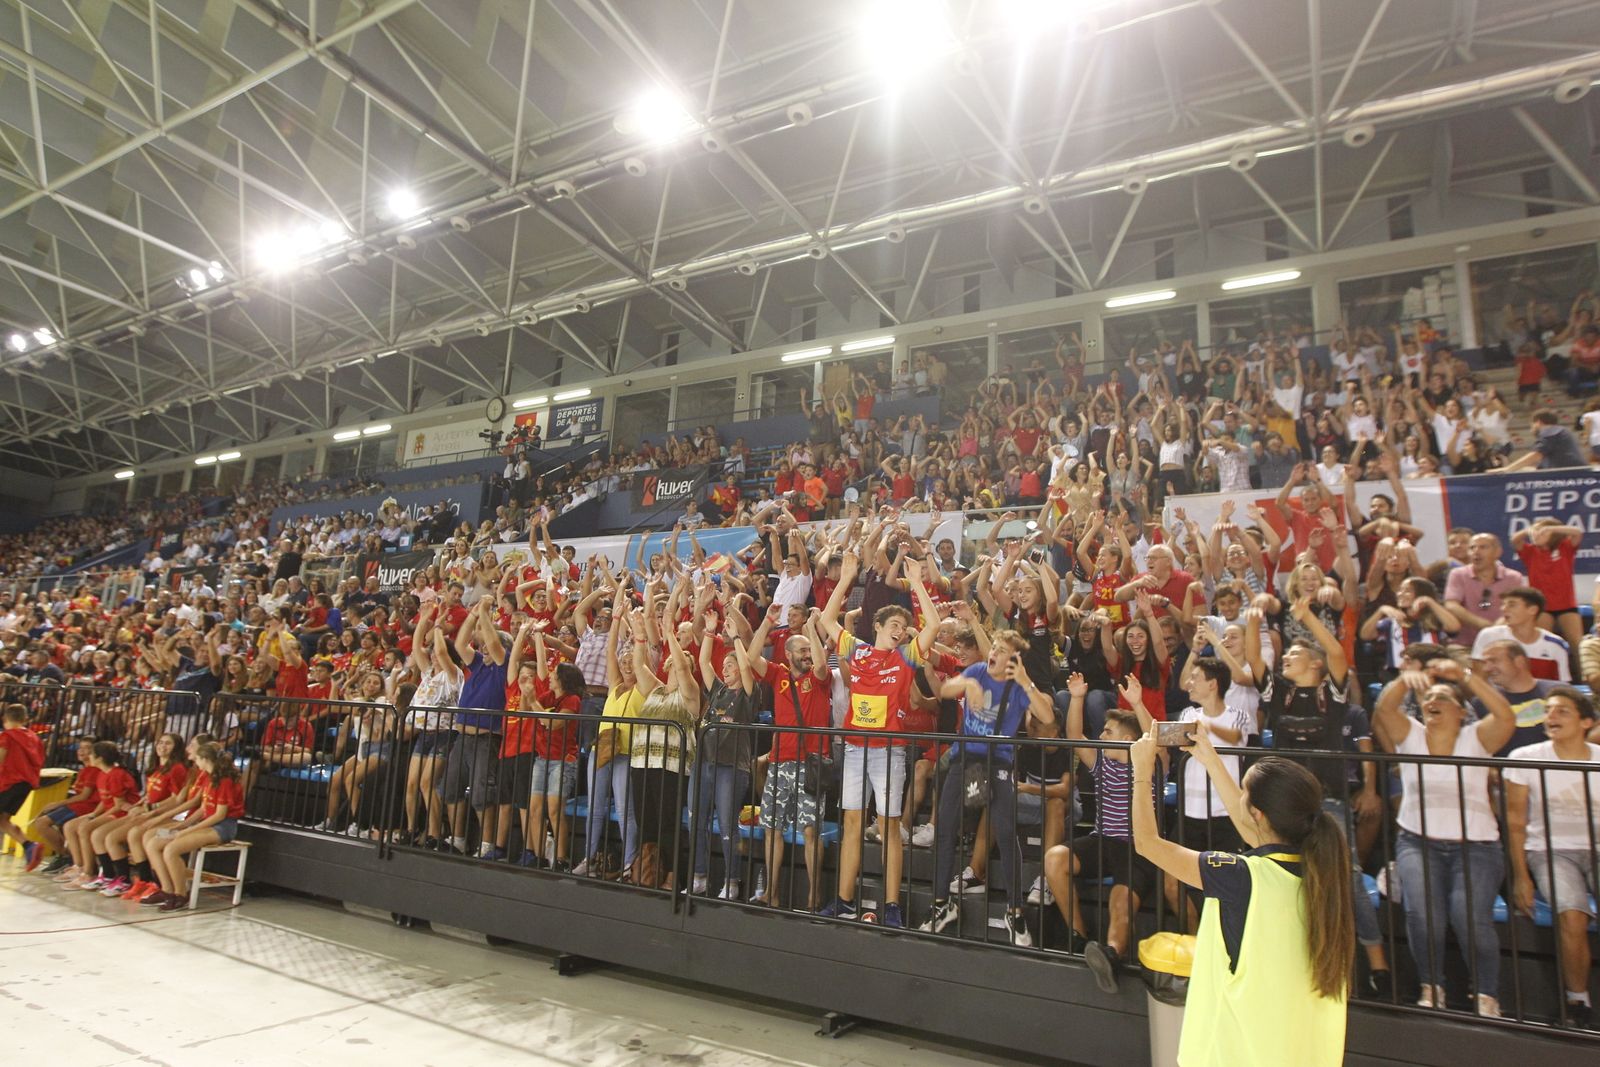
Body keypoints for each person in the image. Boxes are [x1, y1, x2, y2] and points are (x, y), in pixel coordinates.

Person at [1127, 728, 1351, 1067]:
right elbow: (1256, 831)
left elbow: (1147, 843)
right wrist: (1211, 760)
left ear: (1259, 813)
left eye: (1244, 792)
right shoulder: (1325, 875)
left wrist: (1142, 773)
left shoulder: (1242, 876)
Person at [1371, 659, 1516, 1016]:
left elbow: (1506, 715)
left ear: (1460, 711)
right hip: (1417, 842)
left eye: (1442, 697)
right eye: (1428, 696)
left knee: (1468, 915)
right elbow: (1383, 708)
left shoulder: (1476, 737)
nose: (1431, 701)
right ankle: (1430, 985)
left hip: (1477, 846)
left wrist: (1466, 678)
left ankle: (1486, 993)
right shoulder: (1411, 735)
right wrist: (1406, 680)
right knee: (1422, 913)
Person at [813, 550, 942, 927]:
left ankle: (891, 906)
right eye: (895, 624)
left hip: (889, 753)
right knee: (852, 824)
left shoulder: (905, 658)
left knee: (889, 829)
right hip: (854, 750)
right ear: (879, 626)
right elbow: (825, 618)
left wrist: (917, 582)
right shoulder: (860, 651)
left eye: (904, 625)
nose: (900, 629)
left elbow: (933, 627)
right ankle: (844, 899)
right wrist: (844, 579)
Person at [919, 629, 1053, 946]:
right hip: (966, 758)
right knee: (945, 828)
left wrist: (1025, 681)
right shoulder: (978, 670)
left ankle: (1015, 911)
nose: (993, 651)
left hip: (1000, 762)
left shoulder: (1020, 686)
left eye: (1001, 649)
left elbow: (1046, 716)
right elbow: (947, 690)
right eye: (993, 646)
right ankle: (941, 904)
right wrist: (966, 683)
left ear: (1013, 660)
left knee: (1006, 833)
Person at [1043, 674, 1164, 991]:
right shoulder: (1102, 762)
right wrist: (1078, 698)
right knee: (1055, 858)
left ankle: (1110, 955)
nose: (1101, 735)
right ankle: (1080, 940)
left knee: (1120, 901)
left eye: (1108, 731)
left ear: (1127, 739)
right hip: (1101, 841)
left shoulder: (1149, 764)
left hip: (1138, 849)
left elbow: (1158, 742)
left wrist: (1137, 703)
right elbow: (1073, 734)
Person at [1503, 687, 1600, 1030]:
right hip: (1549, 850)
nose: (1552, 717)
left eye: (1563, 712)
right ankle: (1578, 1000)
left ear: (1587, 722)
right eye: (1550, 711)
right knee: (1571, 914)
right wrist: (1521, 876)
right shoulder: (1526, 756)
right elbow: (1515, 822)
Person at [146, 742, 246, 912]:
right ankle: (166, 889)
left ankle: (180, 894)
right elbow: (202, 809)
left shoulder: (223, 781)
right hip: (205, 823)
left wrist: (186, 831)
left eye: (197, 758)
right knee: (154, 843)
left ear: (205, 759)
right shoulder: (209, 777)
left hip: (222, 827)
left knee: (172, 849)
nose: (195, 762)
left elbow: (219, 815)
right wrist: (183, 825)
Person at [1471, 587, 1571, 682]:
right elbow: (1479, 680)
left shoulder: (1556, 645)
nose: (1503, 608)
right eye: (1503, 604)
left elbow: (1562, 685)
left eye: (1512, 605)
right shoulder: (1489, 636)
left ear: (1532, 610)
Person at [0, 702, 44, 863]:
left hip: (9, 782)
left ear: (5, 718)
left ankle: (29, 846)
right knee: (3, 820)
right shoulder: (34, 737)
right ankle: (29, 846)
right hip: (25, 784)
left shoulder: (7, 736)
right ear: (25, 718)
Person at [1503, 410, 1586, 471]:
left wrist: (1508, 469)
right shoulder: (1560, 432)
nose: (1531, 430)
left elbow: (1536, 454)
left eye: (1532, 425)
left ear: (1538, 422)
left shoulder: (1550, 430)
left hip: (1568, 475)